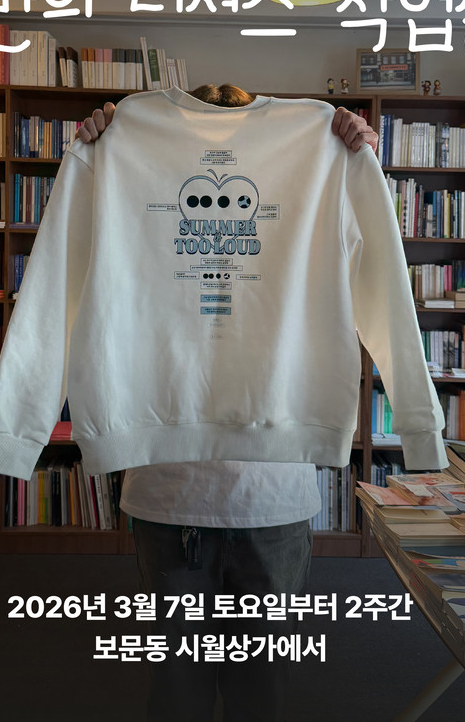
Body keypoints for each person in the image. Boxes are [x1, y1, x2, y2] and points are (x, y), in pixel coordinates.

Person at [77, 85, 380, 722]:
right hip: (171, 498)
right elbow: (67, 287)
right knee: (180, 686)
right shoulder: (116, 152)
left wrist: (356, 162)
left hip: (270, 497)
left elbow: (376, 272)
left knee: (260, 688)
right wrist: (100, 149)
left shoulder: (324, 154)